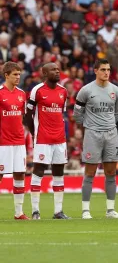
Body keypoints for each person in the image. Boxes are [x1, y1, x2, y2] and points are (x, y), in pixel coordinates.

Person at [73, 58, 118, 219]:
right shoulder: (86, 90)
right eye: (103, 69)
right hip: (92, 135)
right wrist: (89, 126)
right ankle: (86, 210)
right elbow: (77, 114)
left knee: (111, 172)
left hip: (111, 134)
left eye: (108, 70)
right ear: (95, 71)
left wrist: (107, 125)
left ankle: (110, 210)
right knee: (90, 172)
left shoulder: (116, 90)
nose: (106, 72)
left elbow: (117, 113)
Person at [25, 63, 69, 220]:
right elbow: (28, 115)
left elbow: (61, 116)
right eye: (53, 70)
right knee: (38, 172)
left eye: (58, 69)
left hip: (59, 140)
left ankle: (58, 211)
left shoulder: (63, 91)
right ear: (44, 73)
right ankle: (35, 211)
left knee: (59, 173)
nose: (57, 71)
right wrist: (34, 133)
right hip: (43, 138)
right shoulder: (37, 91)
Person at [0, 62, 29, 220]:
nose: (18, 77)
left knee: (20, 174)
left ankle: (19, 213)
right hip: (2, 142)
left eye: (19, 74)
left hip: (18, 141)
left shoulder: (21, 94)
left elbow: (21, 116)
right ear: (6, 75)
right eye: (15, 75)